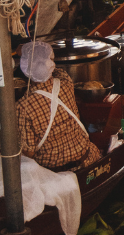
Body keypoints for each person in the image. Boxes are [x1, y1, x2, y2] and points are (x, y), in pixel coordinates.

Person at [16, 40, 102, 171]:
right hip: (88, 160)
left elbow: (28, 155)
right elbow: (55, 70)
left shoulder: (23, 107)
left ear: (24, 68)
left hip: (55, 175)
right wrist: (39, 56)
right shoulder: (65, 82)